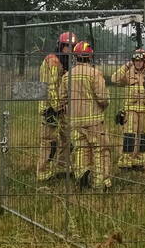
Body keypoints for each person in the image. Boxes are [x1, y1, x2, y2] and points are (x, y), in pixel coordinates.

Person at [67, 40, 111, 190]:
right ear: (90, 57)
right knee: (100, 149)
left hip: (75, 120)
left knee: (81, 148)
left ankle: (81, 174)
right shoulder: (94, 73)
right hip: (93, 119)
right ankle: (100, 182)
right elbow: (103, 98)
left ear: (75, 57)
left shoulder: (68, 75)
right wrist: (104, 106)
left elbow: (61, 97)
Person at [111, 48, 145, 170]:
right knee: (130, 135)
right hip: (131, 109)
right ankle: (125, 161)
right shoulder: (128, 73)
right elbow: (114, 79)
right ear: (133, 61)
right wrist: (126, 66)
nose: (138, 63)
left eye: (141, 61)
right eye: (136, 61)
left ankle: (139, 161)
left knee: (144, 135)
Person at [37, 31, 75, 181]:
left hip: (62, 106)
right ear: (60, 46)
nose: (69, 49)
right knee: (49, 142)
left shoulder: (64, 61)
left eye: (72, 47)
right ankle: (43, 172)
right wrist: (57, 106)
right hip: (50, 108)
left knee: (68, 138)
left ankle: (62, 168)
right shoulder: (53, 61)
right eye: (67, 46)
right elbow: (51, 87)